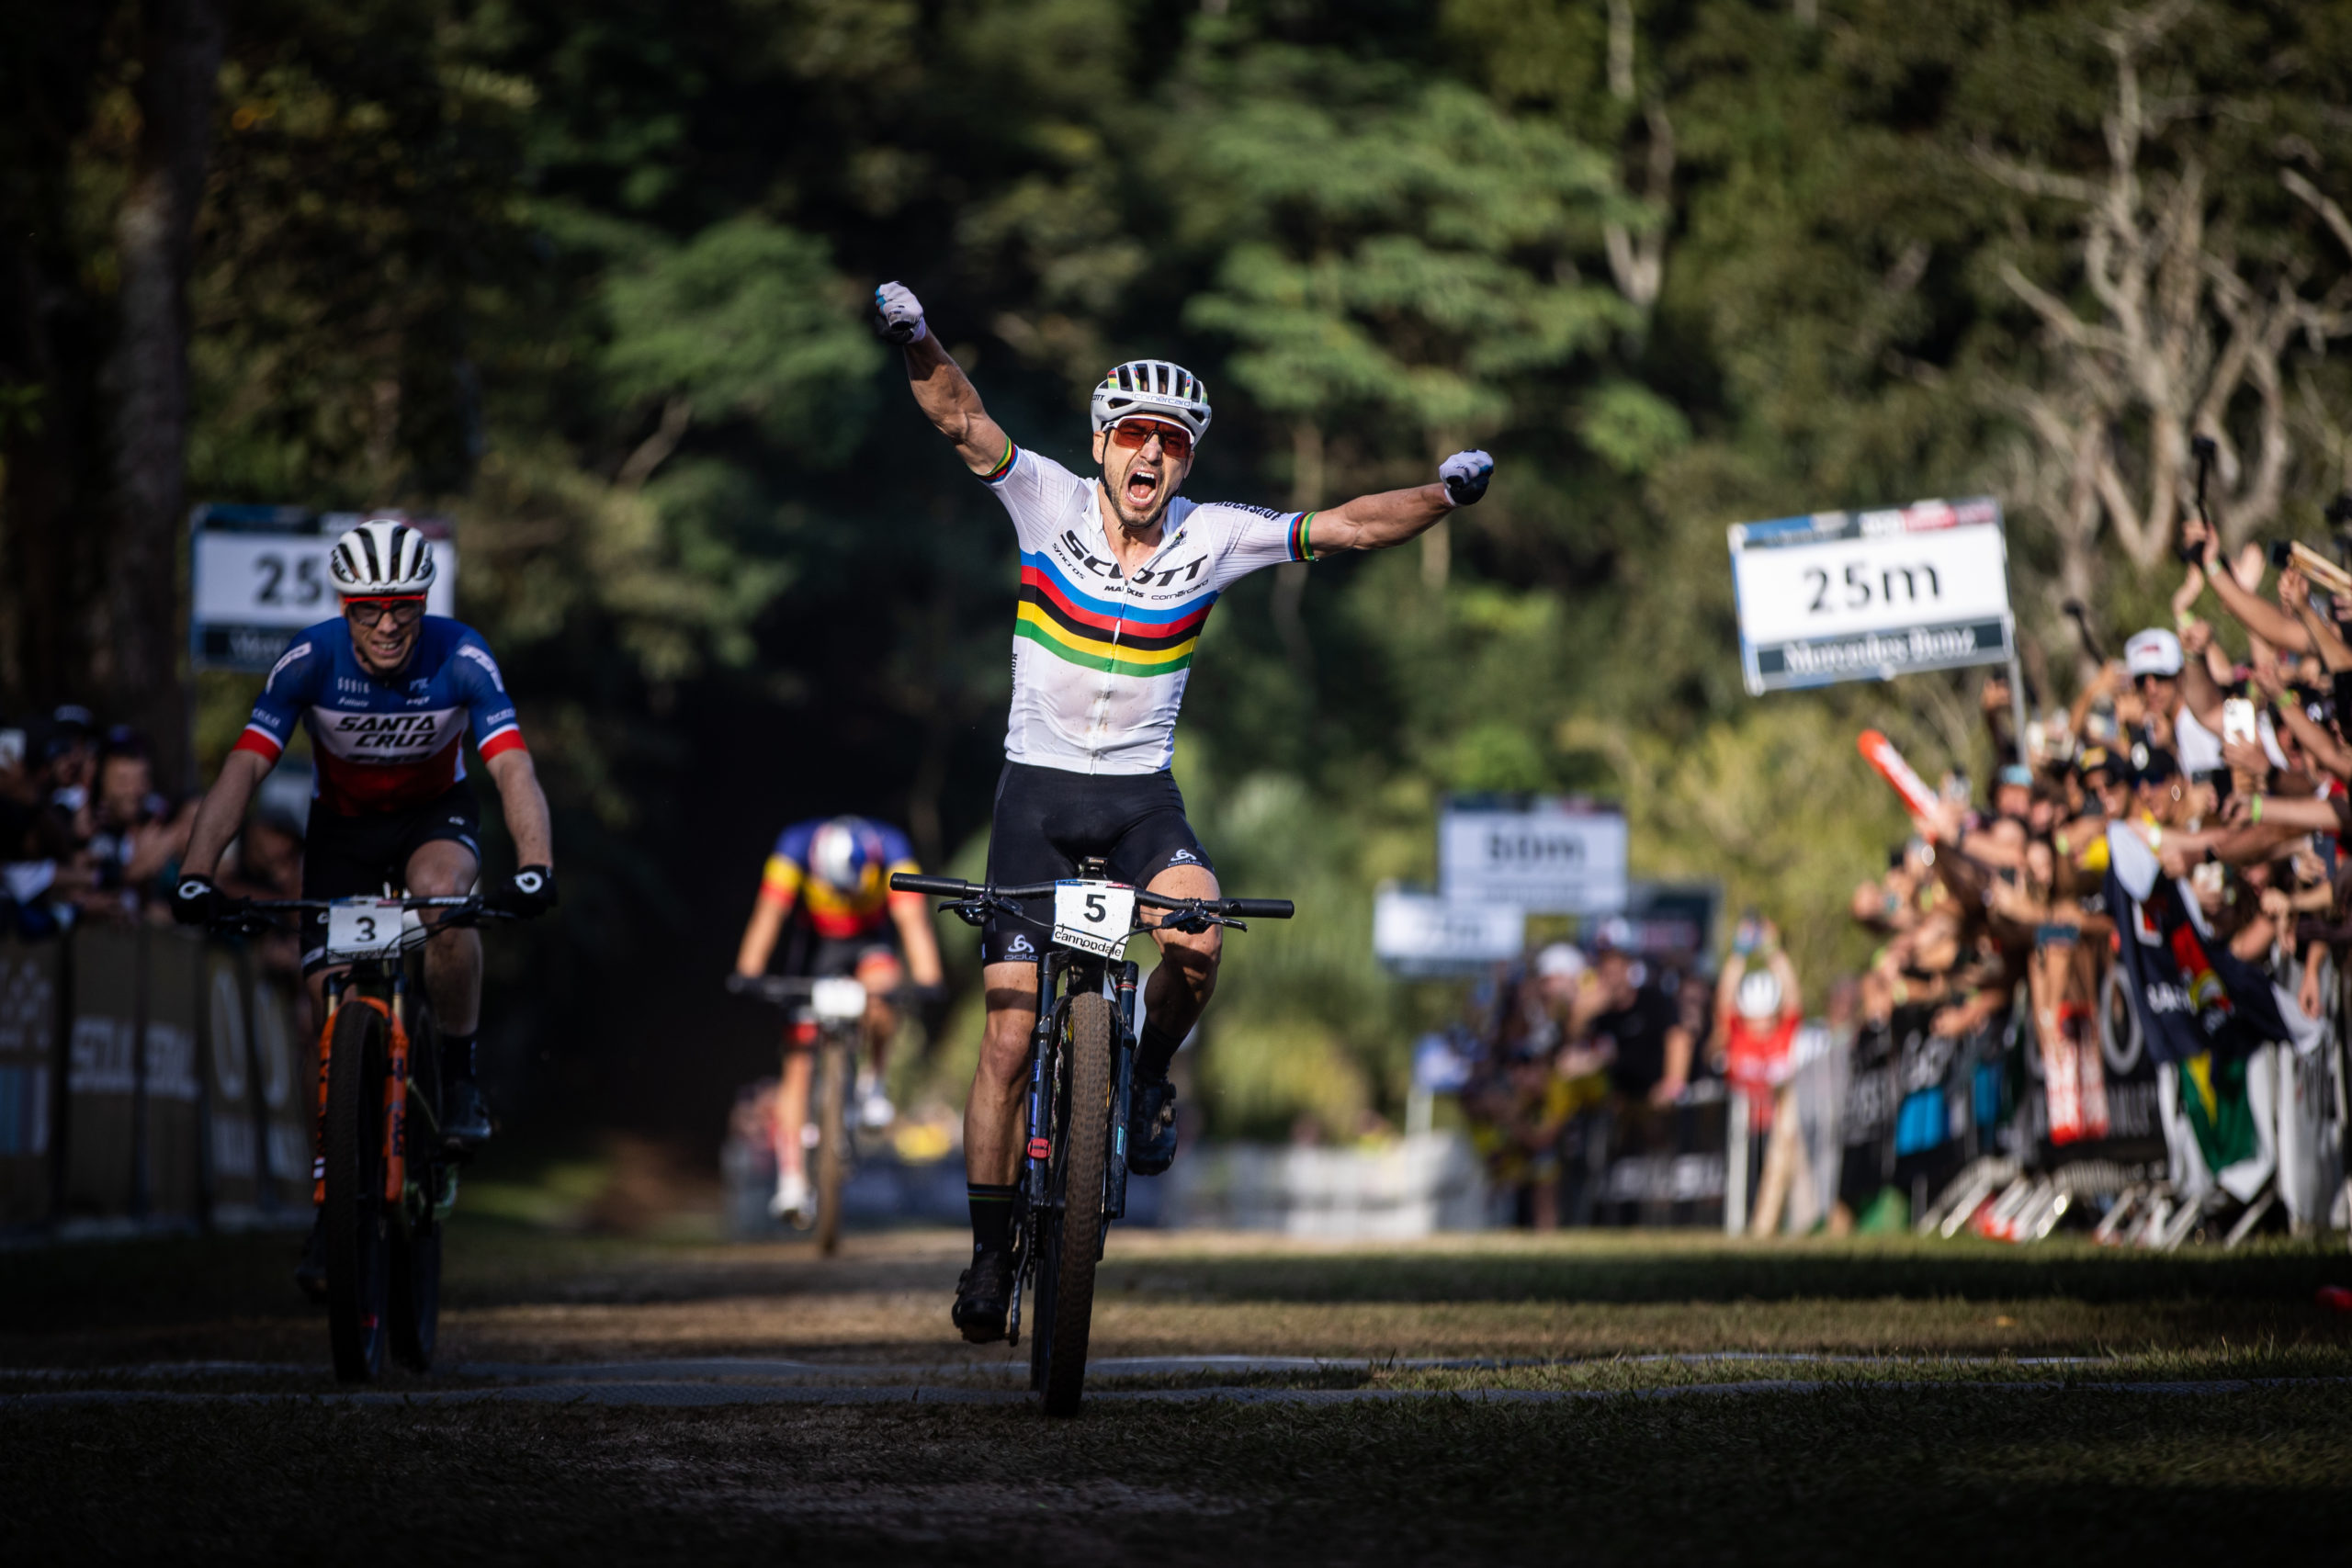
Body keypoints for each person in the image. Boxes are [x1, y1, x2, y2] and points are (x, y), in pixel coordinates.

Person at [874, 278, 1496, 1339]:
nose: (1150, 456)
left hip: (1139, 803)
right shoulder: (1048, 502)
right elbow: (962, 419)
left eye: (1172, 441)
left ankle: (1148, 1078)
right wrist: (918, 336)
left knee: (1198, 940)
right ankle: (987, 1258)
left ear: (1187, 460)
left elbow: (1342, 528)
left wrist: (1443, 496)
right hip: (1034, 790)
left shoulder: (1213, 535)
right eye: (1134, 436)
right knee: (1005, 1038)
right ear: (1103, 443)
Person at [168, 519, 557, 1296]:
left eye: (404, 607)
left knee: (446, 901)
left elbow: (513, 771)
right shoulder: (309, 660)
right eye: (370, 609)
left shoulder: (462, 655)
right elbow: (242, 772)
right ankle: (331, 1211)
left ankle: (459, 1071)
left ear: (424, 602)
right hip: (342, 832)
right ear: (345, 609)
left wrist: (538, 865)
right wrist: (196, 870)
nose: (388, 625)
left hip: (430, 820)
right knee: (328, 1015)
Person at [733, 815, 945, 1224]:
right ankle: (792, 1181)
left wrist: (927, 976)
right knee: (796, 1063)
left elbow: (912, 920)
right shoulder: (794, 846)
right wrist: (749, 970)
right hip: (815, 947)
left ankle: (874, 1083)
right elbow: (770, 913)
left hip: (869, 942)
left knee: (885, 989)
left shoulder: (891, 849)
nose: (844, 897)